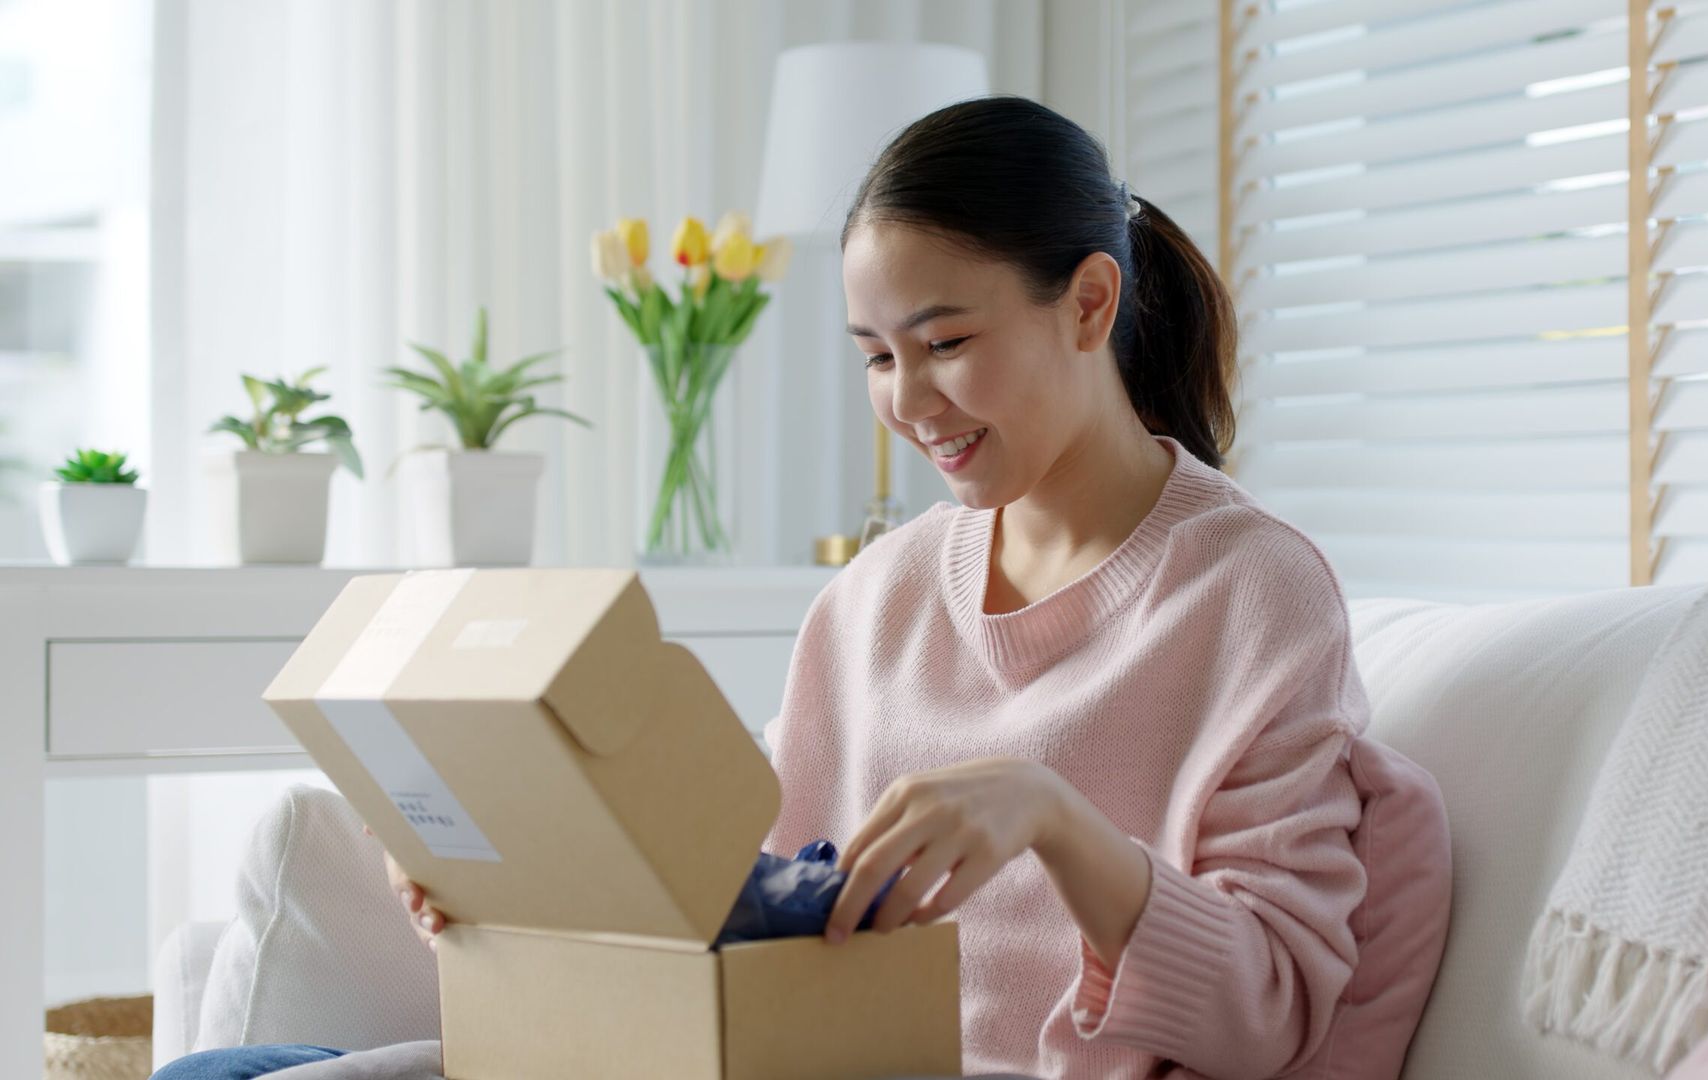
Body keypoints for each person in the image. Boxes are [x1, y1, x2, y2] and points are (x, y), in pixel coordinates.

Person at [155, 94, 1417, 1080]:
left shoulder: (1252, 592)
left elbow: (1271, 1012)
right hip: (752, 1060)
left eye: (947, 344)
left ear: (1089, 302)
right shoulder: (878, 598)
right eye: (876, 356)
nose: (908, 403)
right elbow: (734, 912)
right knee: (220, 1072)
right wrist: (512, 883)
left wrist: (1056, 819)